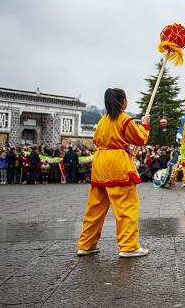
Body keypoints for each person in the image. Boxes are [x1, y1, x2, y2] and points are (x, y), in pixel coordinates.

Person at [77, 88, 150, 258]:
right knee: (126, 207)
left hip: (101, 163)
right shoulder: (125, 119)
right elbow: (139, 139)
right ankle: (128, 246)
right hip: (117, 164)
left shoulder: (102, 120)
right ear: (123, 101)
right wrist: (145, 125)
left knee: (94, 209)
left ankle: (86, 244)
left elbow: (96, 140)